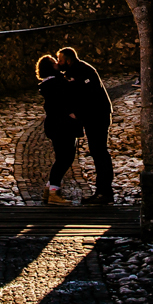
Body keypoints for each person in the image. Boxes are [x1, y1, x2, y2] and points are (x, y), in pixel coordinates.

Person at [55, 46, 114, 206]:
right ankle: (103, 191)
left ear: (68, 60)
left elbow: (89, 95)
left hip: (98, 116)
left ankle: (104, 192)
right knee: (97, 152)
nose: (58, 63)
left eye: (60, 60)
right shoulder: (72, 72)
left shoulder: (84, 71)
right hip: (92, 117)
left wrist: (77, 114)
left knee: (99, 152)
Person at [35, 53, 78, 206]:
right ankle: (54, 191)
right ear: (49, 67)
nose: (57, 64)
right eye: (54, 62)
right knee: (65, 158)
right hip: (61, 125)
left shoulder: (49, 84)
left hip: (55, 125)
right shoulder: (56, 83)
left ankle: (50, 189)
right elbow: (64, 99)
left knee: (62, 157)